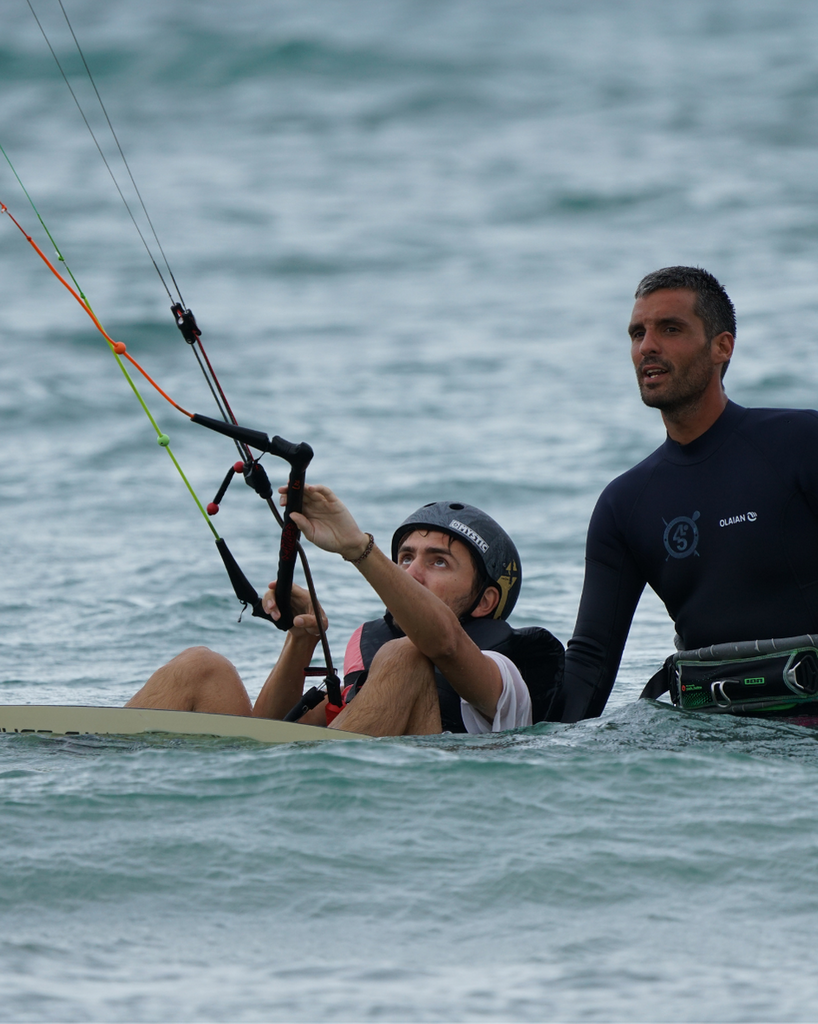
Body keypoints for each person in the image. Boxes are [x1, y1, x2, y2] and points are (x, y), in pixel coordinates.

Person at [550, 265, 818, 722]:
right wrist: (531, 752)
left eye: (669, 329)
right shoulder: (624, 504)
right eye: (637, 333)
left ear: (722, 346)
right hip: (706, 747)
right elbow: (590, 662)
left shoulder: (801, 443)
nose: (647, 346)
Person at [127, 486, 563, 736]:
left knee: (406, 655)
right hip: (303, 779)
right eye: (405, 557)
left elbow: (445, 643)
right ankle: (83, 763)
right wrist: (304, 638)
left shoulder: (506, 677)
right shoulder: (373, 653)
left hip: (409, 810)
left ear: (486, 600)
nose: (412, 572)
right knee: (202, 667)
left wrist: (359, 549)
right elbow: (269, 735)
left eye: (438, 561)